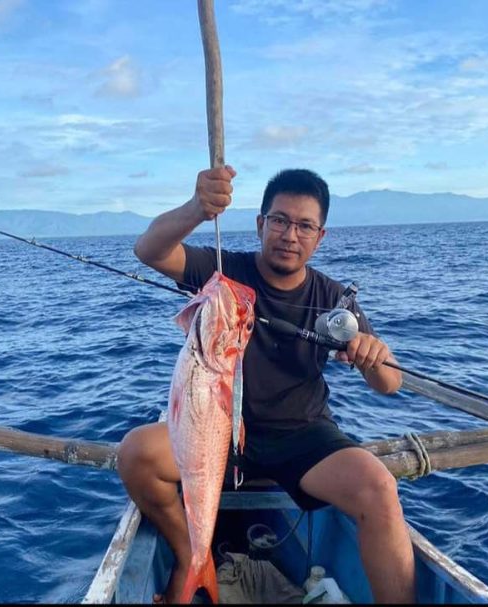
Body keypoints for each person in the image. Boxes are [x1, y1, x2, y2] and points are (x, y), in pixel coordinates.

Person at [117, 165, 416, 603]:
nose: (289, 235)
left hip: (303, 436)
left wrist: (373, 354)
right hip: (218, 432)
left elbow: (389, 384)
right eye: (279, 220)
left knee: (379, 488)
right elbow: (149, 250)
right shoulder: (222, 270)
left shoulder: (335, 299)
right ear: (260, 224)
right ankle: (188, 557)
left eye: (304, 225)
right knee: (136, 454)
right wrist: (197, 208)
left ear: (320, 236)